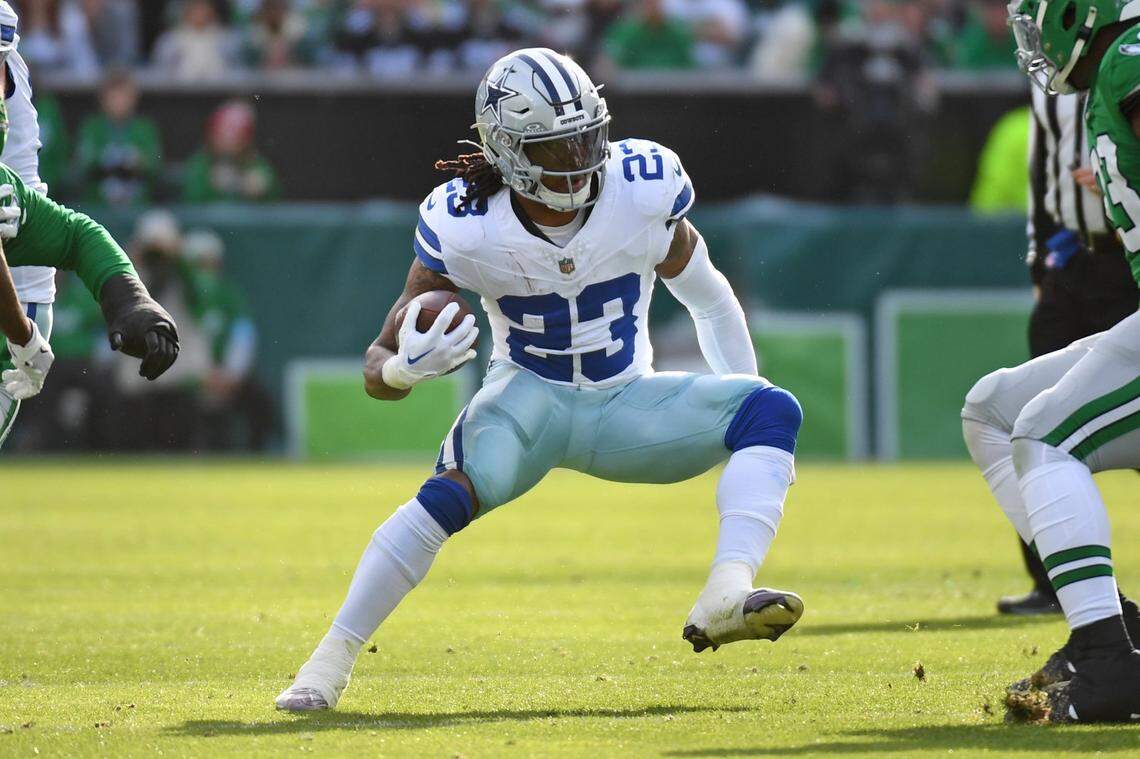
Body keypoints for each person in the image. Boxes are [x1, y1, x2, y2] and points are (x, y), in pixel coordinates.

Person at [275, 47, 804, 712]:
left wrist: (742, 416)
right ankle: (327, 663)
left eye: (587, 135)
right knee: (443, 499)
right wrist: (406, 368)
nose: (580, 158)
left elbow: (711, 299)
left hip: (625, 405)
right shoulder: (467, 224)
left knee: (771, 410)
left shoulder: (640, 188)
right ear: (508, 151)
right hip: (528, 403)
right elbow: (377, 365)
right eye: (557, 147)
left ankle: (727, 593)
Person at [962, 0, 1140, 723]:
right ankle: (1117, 627)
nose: (1034, 41)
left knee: (1045, 432)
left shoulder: (1130, 57)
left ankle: (1107, 663)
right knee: (993, 410)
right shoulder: (1114, 73)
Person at [75, 69, 162, 206]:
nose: (119, 102)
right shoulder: (93, 128)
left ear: (133, 98)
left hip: (137, 205)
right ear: (103, 99)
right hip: (98, 206)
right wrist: (108, 158)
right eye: (114, 96)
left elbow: (155, 165)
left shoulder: (144, 128)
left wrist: (138, 160)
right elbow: (85, 163)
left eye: (124, 96)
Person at [183, 100, 281, 204]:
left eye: (237, 136)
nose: (227, 141)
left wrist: (263, 190)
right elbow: (190, 200)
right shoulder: (201, 164)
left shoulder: (257, 165)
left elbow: (276, 200)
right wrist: (210, 186)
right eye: (221, 135)